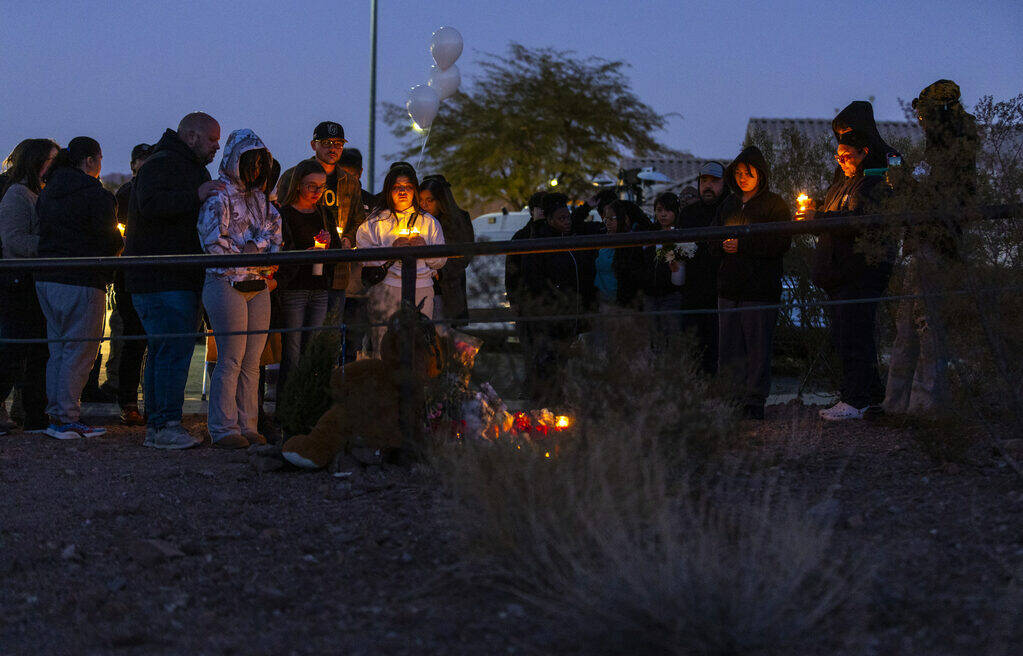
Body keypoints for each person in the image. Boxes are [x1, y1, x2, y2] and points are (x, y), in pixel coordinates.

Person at [125, 111, 223, 449]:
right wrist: (197, 195)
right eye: (212, 139)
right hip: (166, 278)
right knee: (173, 351)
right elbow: (151, 204)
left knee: (162, 350)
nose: (217, 146)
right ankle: (166, 424)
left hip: (161, 277)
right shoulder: (165, 164)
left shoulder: (168, 163)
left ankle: (158, 424)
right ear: (192, 136)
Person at [884, 80, 979, 416]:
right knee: (907, 326)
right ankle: (897, 405)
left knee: (926, 327)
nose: (920, 122)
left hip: (935, 244)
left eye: (923, 115)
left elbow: (938, 200)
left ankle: (926, 406)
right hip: (922, 244)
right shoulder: (938, 150)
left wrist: (903, 182)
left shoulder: (951, 151)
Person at [199, 129, 282, 449]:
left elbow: (276, 236)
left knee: (252, 360)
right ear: (238, 161)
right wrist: (246, 253)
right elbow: (211, 242)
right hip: (224, 281)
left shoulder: (263, 200)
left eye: (262, 163)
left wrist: (254, 248)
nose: (257, 169)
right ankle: (223, 427)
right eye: (252, 162)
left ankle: (248, 424)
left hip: (257, 284)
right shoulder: (218, 197)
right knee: (231, 358)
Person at [802, 131, 894, 421]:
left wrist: (820, 219)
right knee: (846, 335)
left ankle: (856, 400)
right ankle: (871, 396)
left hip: (858, 274)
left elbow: (858, 223)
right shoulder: (842, 185)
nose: (841, 161)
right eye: (837, 156)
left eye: (846, 155)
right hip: (838, 275)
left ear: (864, 152)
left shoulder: (873, 185)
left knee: (856, 335)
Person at [34, 137, 122, 439]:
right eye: (99, 159)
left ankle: (56, 413)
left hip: (46, 278)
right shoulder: (94, 194)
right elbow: (110, 240)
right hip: (82, 280)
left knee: (58, 349)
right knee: (81, 350)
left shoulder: (49, 191)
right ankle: (67, 417)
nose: (100, 165)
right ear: (89, 161)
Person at [716, 146, 792, 420]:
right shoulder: (729, 204)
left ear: (760, 173)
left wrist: (744, 245)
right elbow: (713, 236)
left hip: (759, 289)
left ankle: (754, 401)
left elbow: (781, 241)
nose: (742, 178)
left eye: (748, 173)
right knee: (729, 346)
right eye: (738, 173)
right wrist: (722, 246)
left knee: (757, 346)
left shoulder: (774, 204)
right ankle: (730, 397)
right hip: (729, 287)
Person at [276, 122, 365, 323]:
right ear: (313, 145)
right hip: (298, 271)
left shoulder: (350, 181)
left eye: (338, 143)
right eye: (326, 143)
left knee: (329, 330)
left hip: (336, 269)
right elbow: (279, 217)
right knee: (294, 332)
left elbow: (359, 217)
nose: (333, 148)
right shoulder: (293, 176)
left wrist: (348, 239)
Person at [355, 162, 446, 356]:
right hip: (385, 289)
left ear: (415, 190)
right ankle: (384, 384)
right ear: (389, 190)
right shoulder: (375, 222)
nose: (403, 192)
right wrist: (391, 250)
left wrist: (426, 249)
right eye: (397, 187)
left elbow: (441, 260)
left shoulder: (429, 222)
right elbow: (363, 255)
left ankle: (415, 385)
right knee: (384, 343)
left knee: (418, 344)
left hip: (421, 287)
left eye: (408, 187)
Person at [0, 138, 59, 433]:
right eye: (52, 160)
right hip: (19, 284)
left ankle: (34, 415)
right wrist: (55, 246)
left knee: (37, 352)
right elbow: (13, 241)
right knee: (15, 352)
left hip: (33, 281)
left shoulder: (37, 194)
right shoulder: (17, 195)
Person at [274, 159, 343, 405]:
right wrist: (307, 250)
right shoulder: (284, 214)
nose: (316, 192)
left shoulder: (323, 213)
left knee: (313, 347)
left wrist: (328, 243)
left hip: (319, 286)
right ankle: (287, 405)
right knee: (292, 350)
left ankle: (309, 404)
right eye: (310, 186)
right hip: (294, 287)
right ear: (298, 185)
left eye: (321, 187)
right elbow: (282, 251)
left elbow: (336, 246)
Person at [520, 193, 597, 405]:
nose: (567, 222)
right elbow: (533, 280)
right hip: (552, 316)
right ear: (550, 220)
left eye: (568, 218)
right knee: (549, 362)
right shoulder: (540, 242)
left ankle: (562, 402)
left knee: (565, 363)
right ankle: (547, 404)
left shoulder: (569, 239)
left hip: (571, 314)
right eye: (561, 218)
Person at [104, 143, 151, 425]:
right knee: (133, 339)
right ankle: (129, 401)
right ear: (133, 166)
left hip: (143, 271)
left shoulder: (132, 192)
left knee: (145, 341)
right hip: (130, 273)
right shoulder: (125, 193)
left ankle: (144, 400)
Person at [678, 161, 729, 373]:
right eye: (704, 181)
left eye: (714, 181)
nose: (708, 186)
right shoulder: (689, 214)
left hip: (722, 291)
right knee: (694, 350)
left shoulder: (730, 210)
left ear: (724, 183)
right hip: (693, 292)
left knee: (720, 348)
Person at [419, 174, 475, 327]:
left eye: (429, 200)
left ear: (441, 200)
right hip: (423, 286)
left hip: (448, 289)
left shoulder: (458, 220)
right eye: (421, 201)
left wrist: (441, 271)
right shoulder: (418, 221)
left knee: (445, 337)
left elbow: (464, 256)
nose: (424, 205)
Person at [643, 192, 686, 351]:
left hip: (671, 293)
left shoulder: (680, 234)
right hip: (650, 292)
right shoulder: (650, 234)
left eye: (667, 210)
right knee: (653, 336)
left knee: (671, 335)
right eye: (659, 210)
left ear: (675, 212)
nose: (663, 214)